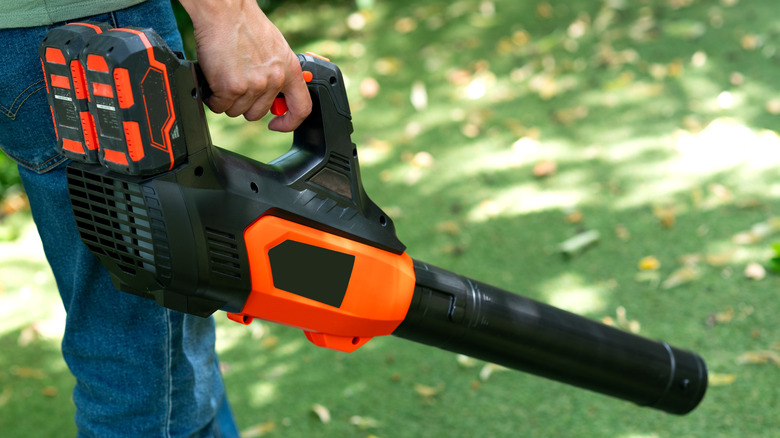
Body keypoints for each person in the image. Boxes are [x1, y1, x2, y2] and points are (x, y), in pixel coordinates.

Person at [0, 0, 312, 436]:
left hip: (22, 40)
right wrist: (228, 13)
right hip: (105, 35)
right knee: (146, 379)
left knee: (171, 349)